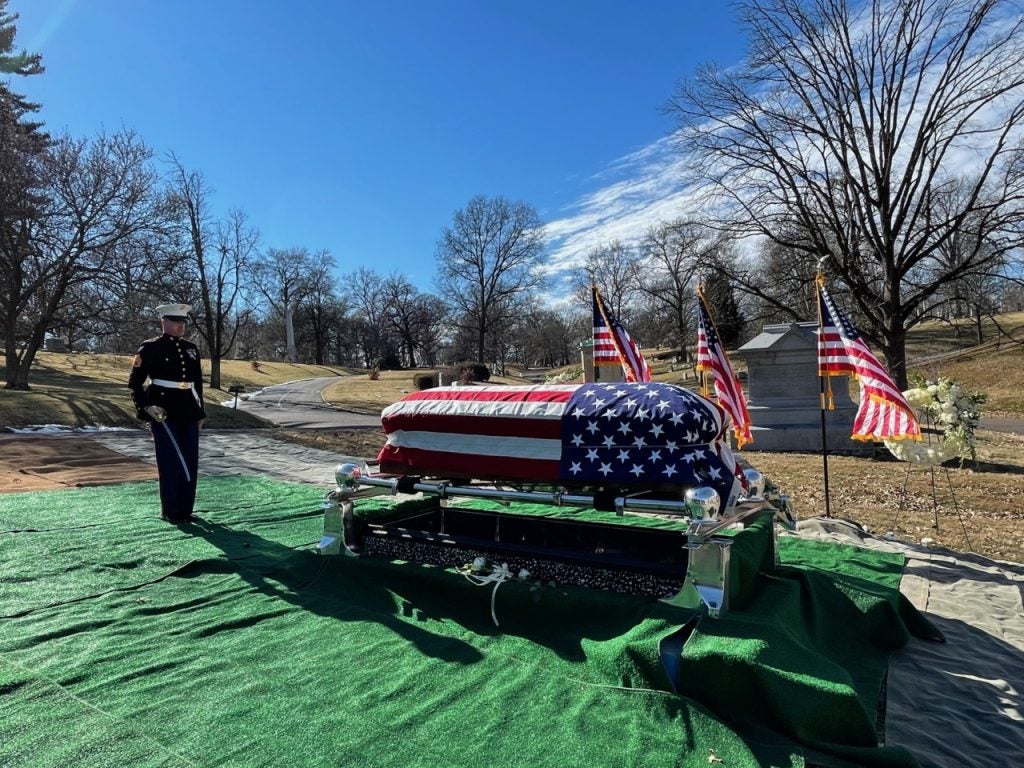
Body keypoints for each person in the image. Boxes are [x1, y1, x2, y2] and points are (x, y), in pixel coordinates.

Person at [128, 303, 207, 523]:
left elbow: (197, 384)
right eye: (175, 322)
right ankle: (171, 510)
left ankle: (186, 509)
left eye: (183, 322)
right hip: (163, 411)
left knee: (190, 460)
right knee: (170, 461)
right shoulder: (150, 348)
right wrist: (146, 406)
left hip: (189, 410)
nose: (180, 326)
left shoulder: (191, 348)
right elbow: (134, 383)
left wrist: (200, 412)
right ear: (164, 322)